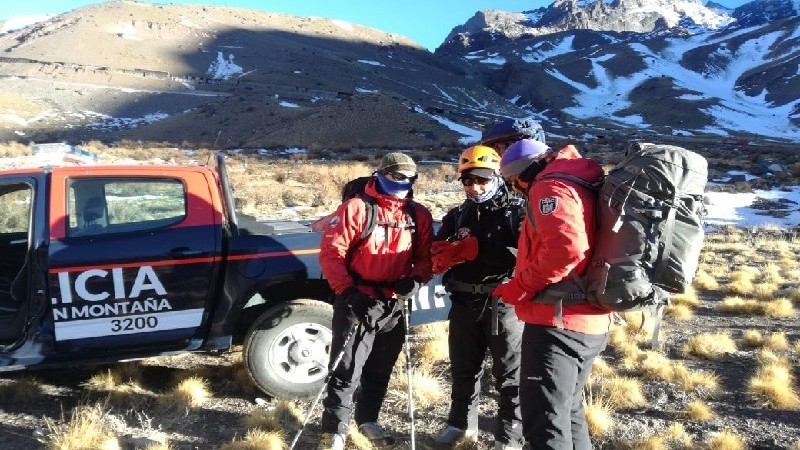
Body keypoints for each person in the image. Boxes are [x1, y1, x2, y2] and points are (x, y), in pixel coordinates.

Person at [491, 139, 612, 450]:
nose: (515, 189)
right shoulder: (580, 178)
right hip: (589, 318)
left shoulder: (549, 187)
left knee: (544, 422)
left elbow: (566, 249)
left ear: (522, 173)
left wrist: (520, 287)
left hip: (557, 321)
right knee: (569, 412)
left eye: (511, 182)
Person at [318, 152, 434, 450]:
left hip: (394, 302)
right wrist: (349, 293)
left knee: (381, 367)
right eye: (396, 175)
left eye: (409, 177)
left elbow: (424, 257)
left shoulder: (418, 215)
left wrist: (417, 279)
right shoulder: (356, 208)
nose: (402, 182)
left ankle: (367, 419)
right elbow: (332, 253)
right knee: (346, 367)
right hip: (357, 298)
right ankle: (335, 431)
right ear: (380, 174)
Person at [429, 145, 525, 450]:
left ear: (497, 175)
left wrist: (480, 251)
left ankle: (508, 439)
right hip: (463, 302)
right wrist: (440, 254)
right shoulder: (458, 214)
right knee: (463, 369)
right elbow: (439, 244)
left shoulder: (518, 212)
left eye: (482, 180)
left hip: (503, 304)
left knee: (509, 376)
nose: (475, 187)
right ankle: (459, 427)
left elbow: (527, 257)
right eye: (468, 181)